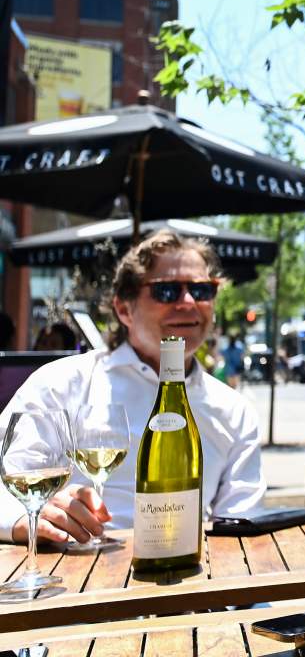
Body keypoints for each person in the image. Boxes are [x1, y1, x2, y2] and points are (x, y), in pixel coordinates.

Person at [0, 230, 266, 546]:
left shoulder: (233, 411)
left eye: (202, 290)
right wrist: (24, 517)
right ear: (124, 309)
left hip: (188, 582)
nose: (189, 302)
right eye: (167, 291)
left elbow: (242, 530)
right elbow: (7, 482)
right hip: (76, 579)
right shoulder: (62, 384)